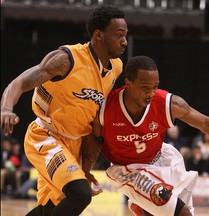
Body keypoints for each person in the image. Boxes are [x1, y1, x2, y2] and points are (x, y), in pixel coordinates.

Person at [85, 56, 209, 216]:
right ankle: (143, 206)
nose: (150, 93)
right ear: (128, 82)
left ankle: (144, 208)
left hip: (162, 159)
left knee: (173, 211)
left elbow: (205, 123)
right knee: (182, 213)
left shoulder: (168, 104)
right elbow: (92, 144)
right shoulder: (106, 109)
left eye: (155, 87)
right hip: (126, 170)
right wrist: (85, 173)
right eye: (145, 87)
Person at [0, 5, 128, 216]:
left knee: (49, 208)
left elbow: (94, 113)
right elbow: (20, 82)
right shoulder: (67, 60)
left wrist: (86, 165)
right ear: (99, 35)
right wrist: (6, 108)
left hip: (74, 142)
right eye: (119, 35)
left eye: (125, 35)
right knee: (80, 195)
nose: (124, 41)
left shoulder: (116, 67)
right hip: (46, 136)